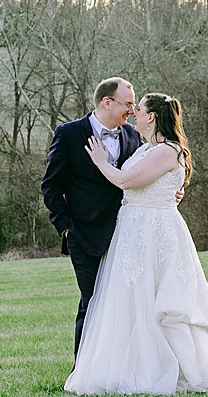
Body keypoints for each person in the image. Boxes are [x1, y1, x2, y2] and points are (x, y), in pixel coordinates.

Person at [64, 91, 208, 395]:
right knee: (130, 301)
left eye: (137, 109)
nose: (133, 114)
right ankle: (127, 367)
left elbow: (128, 182)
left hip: (155, 232)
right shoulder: (143, 148)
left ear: (151, 117)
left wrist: (101, 162)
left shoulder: (168, 150)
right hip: (132, 231)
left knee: (158, 301)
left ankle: (169, 370)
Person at [40, 77, 144, 356]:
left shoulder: (134, 136)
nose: (132, 112)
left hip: (126, 234)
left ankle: (120, 364)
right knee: (92, 301)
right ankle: (82, 369)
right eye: (128, 105)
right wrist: (65, 227)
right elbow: (50, 186)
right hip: (83, 234)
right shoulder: (70, 133)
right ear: (107, 102)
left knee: (126, 303)